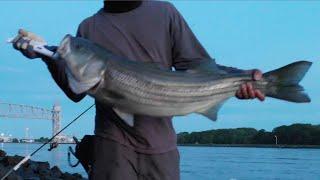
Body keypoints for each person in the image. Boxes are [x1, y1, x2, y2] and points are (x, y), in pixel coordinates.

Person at [12, 1, 265, 179]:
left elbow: (199, 66)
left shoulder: (165, 13)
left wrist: (241, 78)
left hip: (162, 150)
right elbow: (75, 91)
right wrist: (47, 56)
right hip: (112, 150)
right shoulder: (88, 29)